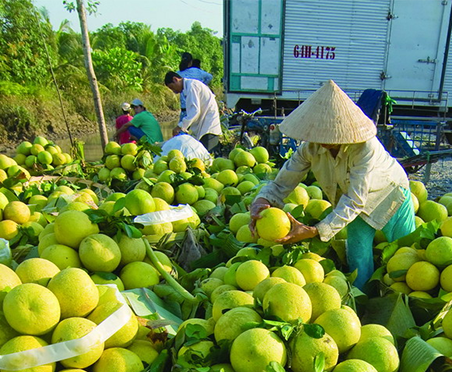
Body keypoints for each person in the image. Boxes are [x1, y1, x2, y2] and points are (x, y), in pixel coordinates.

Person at [249, 80, 413, 289]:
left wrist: (316, 230)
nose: (323, 140)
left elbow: (355, 200)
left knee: (406, 253)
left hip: (390, 193)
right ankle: (361, 302)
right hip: (353, 201)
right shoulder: (311, 148)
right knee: (358, 260)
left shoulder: (364, 148)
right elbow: (284, 180)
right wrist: (262, 201)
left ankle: (406, 299)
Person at [164, 71, 222, 152]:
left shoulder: (192, 86)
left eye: (172, 87)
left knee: (207, 157)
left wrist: (180, 126)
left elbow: (194, 111)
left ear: (175, 80)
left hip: (208, 126)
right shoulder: (190, 86)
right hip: (204, 124)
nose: (174, 91)